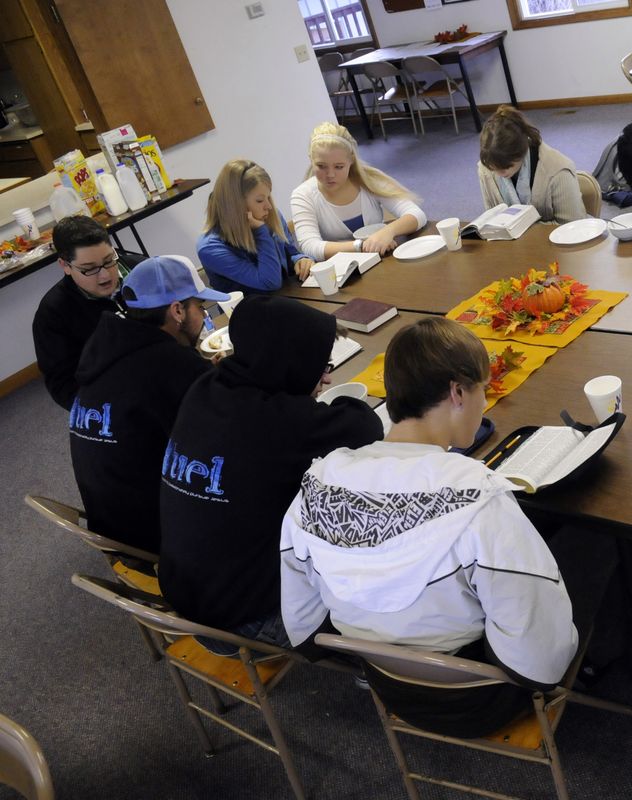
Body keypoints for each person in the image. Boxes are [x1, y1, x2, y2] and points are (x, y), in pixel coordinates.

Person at [279, 318, 583, 737]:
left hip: (388, 689)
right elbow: (539, 661)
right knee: (582, 563)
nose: (485, 403)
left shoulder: (317, 485)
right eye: (483, 390)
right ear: (458, 392)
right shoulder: (478, 497)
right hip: (478, 695)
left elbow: (303, 624)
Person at [158, 295, 382, 648]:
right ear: (289, 362)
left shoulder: (206, 387)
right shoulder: (274, 421)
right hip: (243, 623)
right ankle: (367, 661)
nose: (326, 378)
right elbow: (365, 425)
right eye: (322, 365)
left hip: (189, 594)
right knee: (384, 574)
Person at [70, 257, 225, 556]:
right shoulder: (172, 367)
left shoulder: (107, 350)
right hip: (161, 539)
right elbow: (231, 429)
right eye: (201, 308)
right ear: (177, 310)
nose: (203, 317)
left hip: (113, 528)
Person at [32, 216, 145, 410]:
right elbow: (63, 385)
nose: (105, 275)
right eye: (89, 269)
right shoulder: (53, 314)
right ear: (65, 266)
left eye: (109, 260)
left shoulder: (141, 270)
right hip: (117, 399)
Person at [290, 122, 427, 260]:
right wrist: (361, 246)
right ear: (311, 160)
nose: (330, 174)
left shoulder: (368, 180)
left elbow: (417, 214)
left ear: (351, 161)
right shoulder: (302, 195)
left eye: (339, 167)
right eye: (321, 166)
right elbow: (309, 246)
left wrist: (388, 231)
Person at [197, 159, 314, 293]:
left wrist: (301, 260)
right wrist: (261, 231)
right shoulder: (210, 248)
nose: (269, 206)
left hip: (288, 298)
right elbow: (269, 282)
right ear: (236, 204)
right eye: (260, 200)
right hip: (250, 310)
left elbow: (290, 253)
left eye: (268, 197)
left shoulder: (269, 214)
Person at [477, 105, 587, 223]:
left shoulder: (559, 170)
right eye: (493, 168)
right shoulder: (485, 169)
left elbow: (573, 226)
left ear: (522, 153)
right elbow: (491, 218)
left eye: (505, 167)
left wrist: (522, 227)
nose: (499, 173)